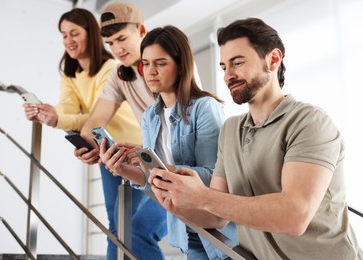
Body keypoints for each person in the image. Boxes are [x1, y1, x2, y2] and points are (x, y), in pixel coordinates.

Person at [149, 18, 363, 259]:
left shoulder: (309, 122)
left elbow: (295, 215)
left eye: (237, 63)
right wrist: (178, 203)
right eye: (223, 67)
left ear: (273, 60)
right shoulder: (231, 130)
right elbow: (216, 217)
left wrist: (203, 196)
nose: (228, 75)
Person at [99, 25, 237, 260]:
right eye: (146, 63)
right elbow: (153, 181)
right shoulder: (150, 116)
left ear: (181, 65)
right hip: (184, 228)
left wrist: (158, 165)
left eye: (160, 63)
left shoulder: (204, 108)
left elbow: (213, 176)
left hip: (215, 227)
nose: (150, 71)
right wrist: (123, 168)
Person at [22, 8, 149, 260]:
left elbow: (90, 116)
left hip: (137, 149)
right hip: (107, 152)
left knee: (134, 229)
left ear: (90, 35)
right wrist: (48, 114)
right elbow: (78, 114)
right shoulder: (75, 74)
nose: (68, 40)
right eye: (63, 35)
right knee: (116, 228)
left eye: (74, 33)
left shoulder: (113, 68)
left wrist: (58, 118)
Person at [75, 3, 167, 259]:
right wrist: (86, 145)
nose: (117, 49)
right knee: (123, 229)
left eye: (122, 39)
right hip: (151, 163)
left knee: (137, 230)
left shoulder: (170, 64)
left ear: (141, 30)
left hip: (185, 166)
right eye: (111, 43)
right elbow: (95, 120)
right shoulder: (120, 75)